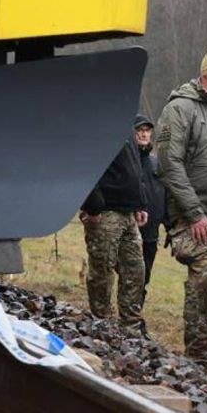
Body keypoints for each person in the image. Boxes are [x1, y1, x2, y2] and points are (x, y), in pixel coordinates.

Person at [155, 48, 207, 363]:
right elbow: (168, 164)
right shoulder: (181, 108)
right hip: (195, 217)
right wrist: (194, 214)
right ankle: (198, 359)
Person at [79, 131, 149, 331]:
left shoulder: (126, 124)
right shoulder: (99, 124)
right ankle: (102, 323)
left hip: (129, 212)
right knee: (102, 269)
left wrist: (141, 203)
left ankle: (131, 325)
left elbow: (135, 169)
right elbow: (85, 164)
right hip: (105, 210)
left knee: (135, 270)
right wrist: (92, 205)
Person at [133, 115, 166, 284]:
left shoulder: (156, 163)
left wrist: (170, 225)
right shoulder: (125, 161)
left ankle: (137, 309)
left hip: (151, 233)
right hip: (128, 229)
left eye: (147, 131)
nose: (144, 134)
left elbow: (164, 195)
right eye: (139, 130)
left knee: (144, 278)